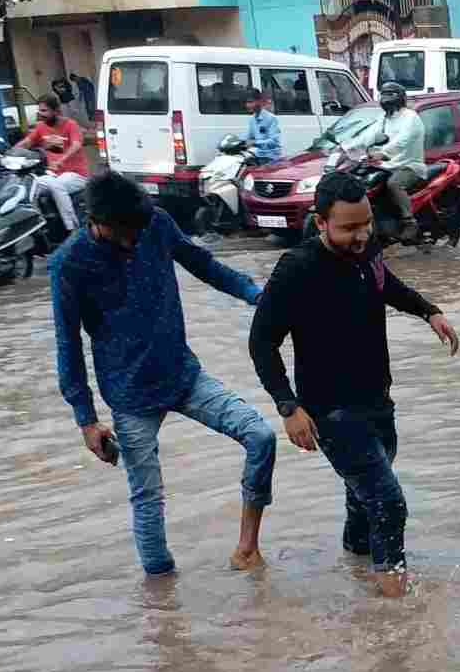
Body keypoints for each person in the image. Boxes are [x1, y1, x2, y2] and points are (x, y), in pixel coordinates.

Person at [51, 172, 277, 576]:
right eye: (124, 233)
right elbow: (68, 347)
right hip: (128, 394)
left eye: (137, 230)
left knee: (261, 437)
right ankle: (162, 610)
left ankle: (246, 549)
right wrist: (86, 420)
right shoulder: (69, 263)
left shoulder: (154, 223)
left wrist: (256, 296)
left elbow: (203, 265)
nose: (133, 241)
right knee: (148, 501)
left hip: (182, 374)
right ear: (97, 221)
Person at [248, 170, 459, 598]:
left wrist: (427, 310)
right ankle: (395, 608)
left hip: (377, 401)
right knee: (388, 503)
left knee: (363, 502)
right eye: (348, 228)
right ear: (321, 221)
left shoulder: (367, 249)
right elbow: (261, 342)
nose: (361, 234)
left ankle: (356, 581)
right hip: (331, 411)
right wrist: (288, 407)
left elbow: (385, 284)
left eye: (365, 223)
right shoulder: (297, 269)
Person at [18, 93, 89, 235]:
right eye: (39, 110)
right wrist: (9, 153)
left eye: (44, 110)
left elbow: (76, 145)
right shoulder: (40, 127)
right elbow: (26, 143)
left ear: (56, 111)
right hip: (53, 175)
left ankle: (72, 229)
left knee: (57, 186)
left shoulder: (70, 125)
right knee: (29, 186)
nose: (40, 113)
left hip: (76, 175)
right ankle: (37, 229)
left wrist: (60, 160)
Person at [366, 81, 427, 229]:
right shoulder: (385, 118)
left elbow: (402, 141)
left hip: (410, 165)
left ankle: (409, 222)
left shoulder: (410, 117)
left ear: (399, 97)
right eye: (384, 94)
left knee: (394, 184)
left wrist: (383, 153)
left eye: (390, 94)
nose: (386, 98)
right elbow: (369, 135)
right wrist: (349, 147)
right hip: (387, 166)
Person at [245, 90, 282, 163]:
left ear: (259, 101)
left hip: (270, 157)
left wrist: (255, 143)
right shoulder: (252, 119)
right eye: (247, 102)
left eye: (251, 102)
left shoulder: (271, 118)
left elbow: (274, 141)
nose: (248, 105)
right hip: (258, 155)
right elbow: (248, 137)